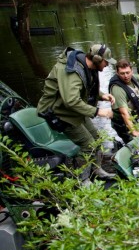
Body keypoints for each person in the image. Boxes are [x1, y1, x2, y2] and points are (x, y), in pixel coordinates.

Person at [37, 43, 117, 180]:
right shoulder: (71, 71)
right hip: (59, 113)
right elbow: (71, 101)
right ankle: (82, 179)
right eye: (106, 62)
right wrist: (98, 111)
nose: (107, 65)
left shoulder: (85, 66)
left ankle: (96, 170)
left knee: (97, 140)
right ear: (97, 60)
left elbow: (85, 86)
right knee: (88, 145)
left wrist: (102, 95)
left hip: (74, 111)